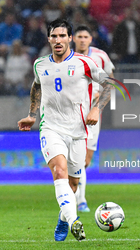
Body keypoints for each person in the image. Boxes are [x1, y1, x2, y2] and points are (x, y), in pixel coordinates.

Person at [17, 19, 113, 242]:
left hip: (78, 131)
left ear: (69, 38)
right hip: (51, 128)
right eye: (54, 36)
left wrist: (97, 110)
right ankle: (74, 222)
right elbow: (37, 85)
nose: (58, 40)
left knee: (73, 184)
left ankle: (63, 218)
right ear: (48, 39)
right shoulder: (40, 64)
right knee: (58, 172)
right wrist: (32, 115)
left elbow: (109, 83)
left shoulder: (84, 63)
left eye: (62, 36)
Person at [72, 25, 114, 212]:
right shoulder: (67, 58)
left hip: (93, 112)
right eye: (79, 36)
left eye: (85, 36)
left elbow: (110, 83)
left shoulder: (100, 56)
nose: (82, 39)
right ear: (73, 38)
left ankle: (77, 195)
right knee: (76, 158)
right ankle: (80, 200)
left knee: (86, 160)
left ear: (91, 38)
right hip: (73, 112)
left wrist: (99, 104)